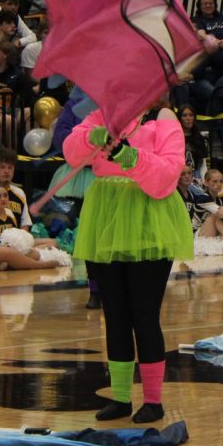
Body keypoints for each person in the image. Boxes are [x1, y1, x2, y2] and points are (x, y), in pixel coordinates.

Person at [64, 104, 194, 423]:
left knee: (144, 314)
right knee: (115, 313)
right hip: (107, 217)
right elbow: (71, 151)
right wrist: (91, 137)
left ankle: (153, 400)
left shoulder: (164, 118)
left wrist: (129, 157)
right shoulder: (104, 115)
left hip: (149, 219)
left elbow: (169, 172)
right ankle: (120, 398)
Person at [0, 184, 61, 271]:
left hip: (5, 250)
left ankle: (10, 263)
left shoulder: (9, 213)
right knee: (6, 251)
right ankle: (38, 265)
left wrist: (19, 245)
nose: (3, 199)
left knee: (50, 242)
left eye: (5, 195)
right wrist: (1, 245)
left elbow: (15, 237)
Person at [191, 0, 223, 79]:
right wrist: (221, 43)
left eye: (211, 3)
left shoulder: (222, 17)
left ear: (215, 5)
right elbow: (202, 35)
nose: (208, 5)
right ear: (200, 6)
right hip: (213, 50)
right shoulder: (197, 19)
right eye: (205, 3)